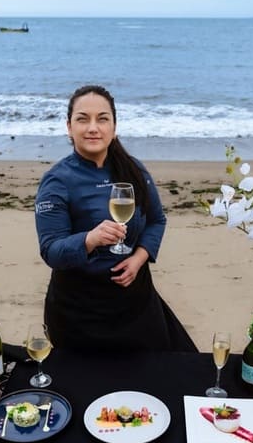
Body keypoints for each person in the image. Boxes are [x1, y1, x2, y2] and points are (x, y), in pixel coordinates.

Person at [34, 85, 198, 353]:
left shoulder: (133, 169)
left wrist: (139, 258)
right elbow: (51, 250)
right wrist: (89, 239)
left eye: (102, 118)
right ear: (69, 127)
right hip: (80, 310)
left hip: (136, 301)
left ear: (114, 126)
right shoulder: (57, 181)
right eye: (82, 119)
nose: (92, 128)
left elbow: (157, 220)